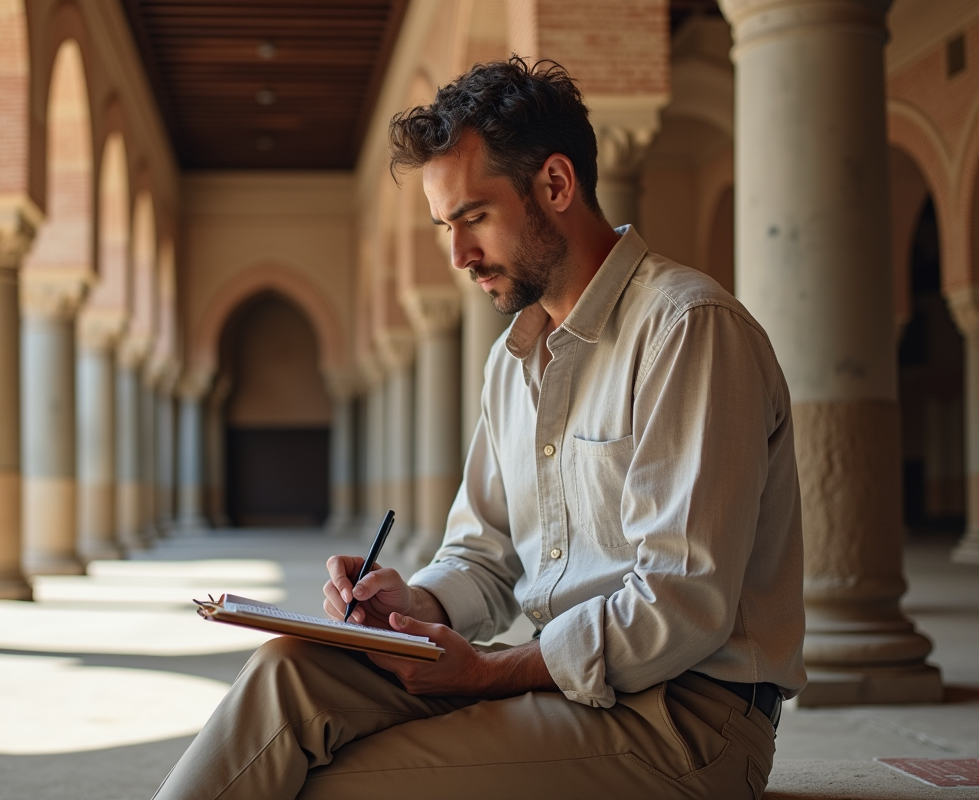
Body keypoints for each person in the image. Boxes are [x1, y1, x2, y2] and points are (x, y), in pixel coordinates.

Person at [152, 56, 806, 800]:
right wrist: (409, 606)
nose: (460, 255)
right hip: (561, 685)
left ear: (555, 185)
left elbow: (680, 605)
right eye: (445, 227)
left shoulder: (686, 329)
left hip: (686, 722)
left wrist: (490, 673)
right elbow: (484, 555)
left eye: (473, 219)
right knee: (288, 672)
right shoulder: (512, 360)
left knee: (333, 784)